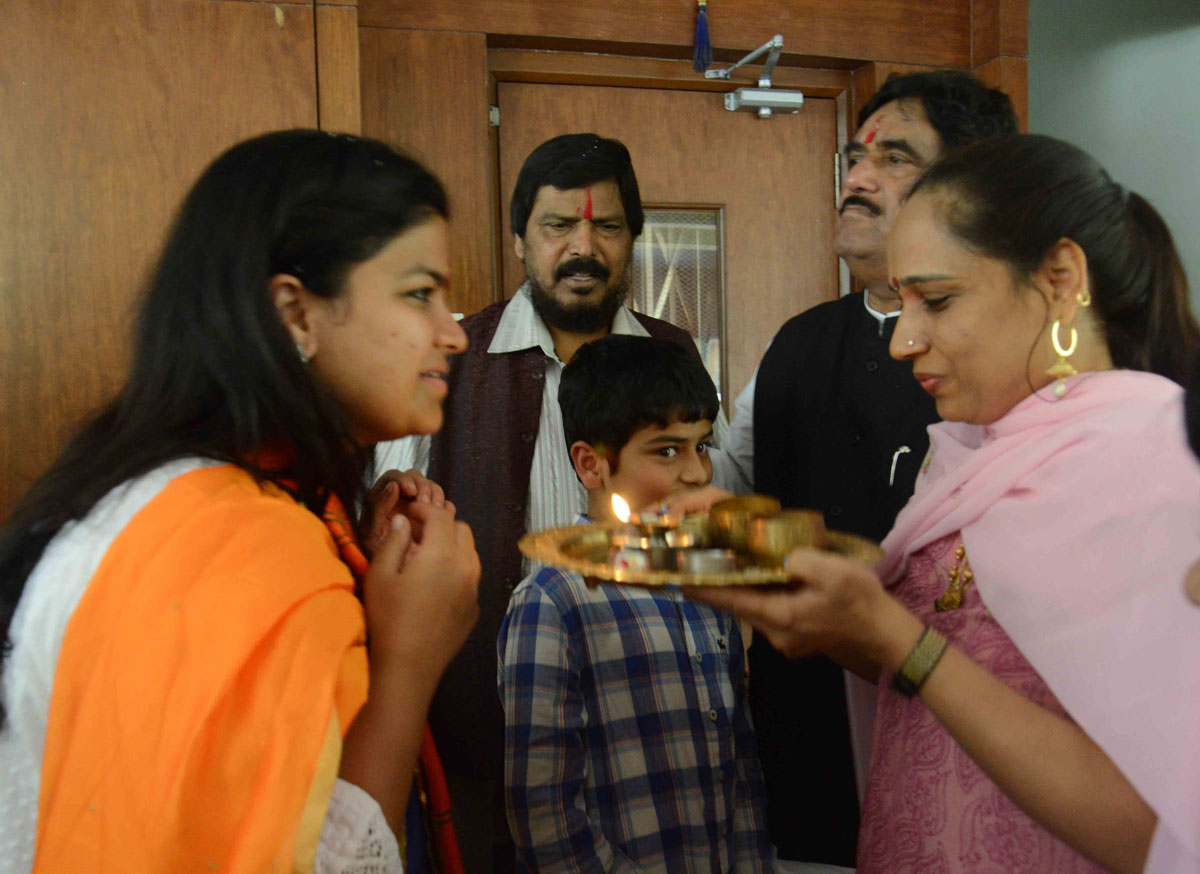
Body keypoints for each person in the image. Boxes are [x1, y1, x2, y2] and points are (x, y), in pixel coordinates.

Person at [686, 133, 1200, 874]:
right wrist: (806, 601)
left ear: (1060, 278)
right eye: (900, 301)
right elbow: (946, 675)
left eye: (938, 299)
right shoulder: (971, 456)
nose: (903, 340)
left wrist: (899, 640)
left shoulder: (1146, 461)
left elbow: (1154, 828)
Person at [0, 130, 481, 874]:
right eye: (419, 294)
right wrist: (407, 665)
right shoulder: (232, 543)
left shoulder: (199, 496)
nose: (452, 333)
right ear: (295, 313)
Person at [376, 132, 728, 873]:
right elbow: (387, 529)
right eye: (558, 226)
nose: (583, 247)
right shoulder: (451, 358)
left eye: (605, 226)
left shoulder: (677, 357)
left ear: (633, 238)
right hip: (480, 743)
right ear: (519, 241)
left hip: (652, 748)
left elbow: (707, 520)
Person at [721, 71, 1020, 869]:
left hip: (980, 771)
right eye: (854, 157)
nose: (856, 179)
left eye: (893, 158)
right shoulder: (796, 345)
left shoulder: (1010, 372)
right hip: (806, 770)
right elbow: (729, 483)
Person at [498, 335, 772, 874]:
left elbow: (739, 774)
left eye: (702, 446)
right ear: (592, 464)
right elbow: (545, 815)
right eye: (667, 450)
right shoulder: (553, 600)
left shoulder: (708, 583)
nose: (697, 473)